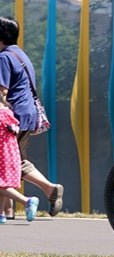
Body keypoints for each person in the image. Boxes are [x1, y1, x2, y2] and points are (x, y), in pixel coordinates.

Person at [0, 16, 63, 220]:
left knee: (7, 161)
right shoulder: (20, 54)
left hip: (12, 117)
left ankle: (46, 190)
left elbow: (1, 92)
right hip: (25, 115)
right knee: (14, 160)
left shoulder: (3, 58)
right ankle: (7, 211)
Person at [0, 93, 39, 223]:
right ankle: (1, 215)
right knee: (4, 185)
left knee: (1, 185)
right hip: (10, 155)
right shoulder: (8, 113)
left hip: (2, 155)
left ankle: (27, 201)